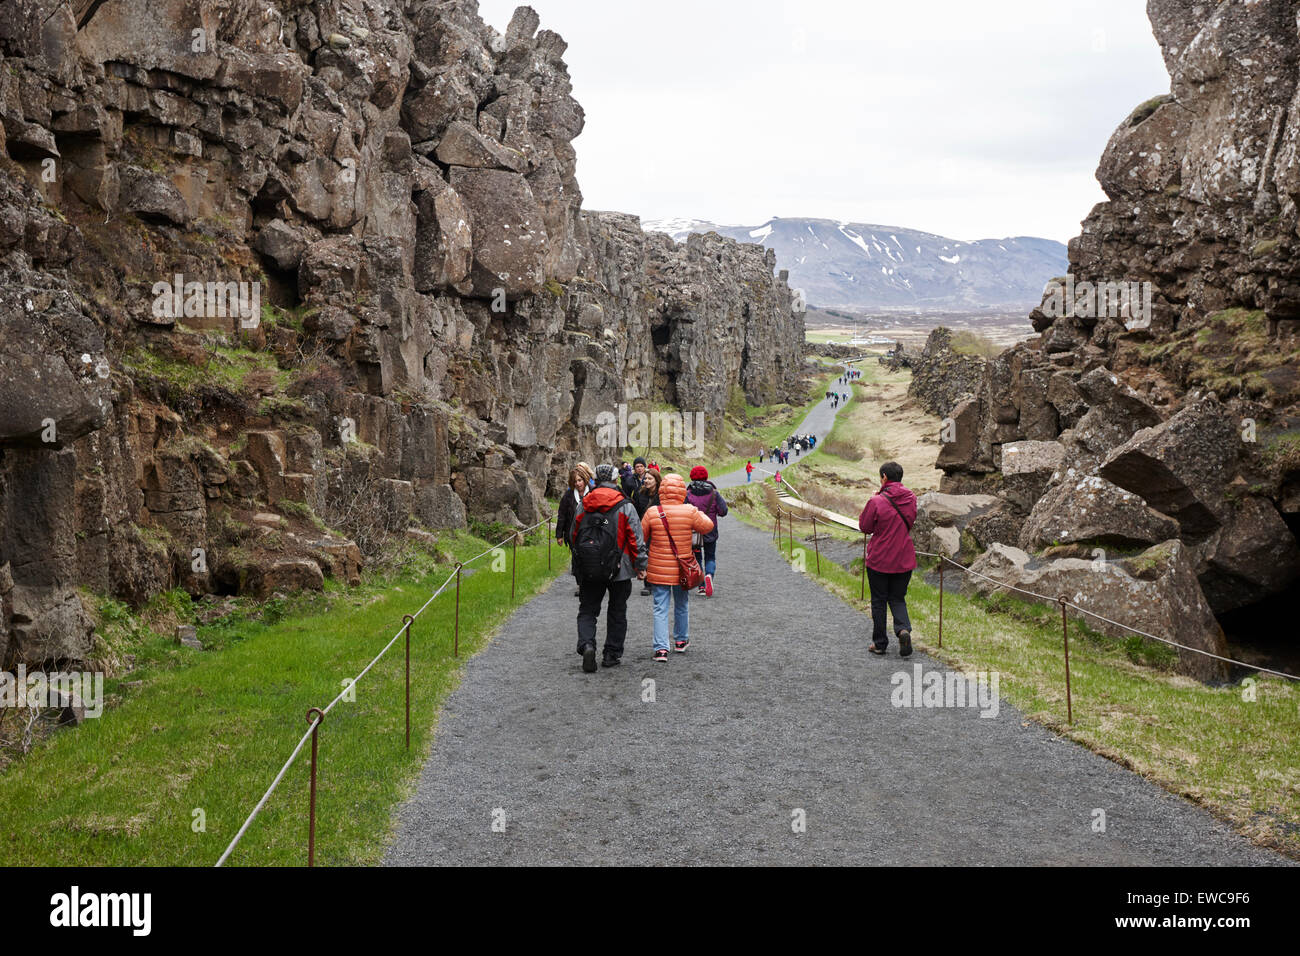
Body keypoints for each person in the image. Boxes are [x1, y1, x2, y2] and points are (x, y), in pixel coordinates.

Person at [570, 463, 648, 672]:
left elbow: (573, 534)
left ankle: (587, 644)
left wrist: (579, 561)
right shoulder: (625, 505)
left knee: (587, 609)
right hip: (619, 568)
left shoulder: (585, 503)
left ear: (594, 480)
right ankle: (611, 655)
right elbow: (635, 538)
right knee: (617, 610)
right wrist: (641, 565)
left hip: (589, 567)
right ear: (616, 481)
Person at [642, 472, 714, 662]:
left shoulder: (652, 512)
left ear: (662, 490)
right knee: (682, 604)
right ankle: (681, 641)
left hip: (658, 568)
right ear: (682, 491)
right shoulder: (689, 511)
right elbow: (708, 526)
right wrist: (697, 511)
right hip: (683, 568)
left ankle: (661, 649)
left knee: (660, 607)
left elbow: (640, 537)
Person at [858, 461, 918, 657]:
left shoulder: (877, 501)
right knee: (898, 598)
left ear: (884, 477)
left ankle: (880, 643)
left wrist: (872, 500)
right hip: (904, 557)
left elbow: (865, 527)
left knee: (879, 601)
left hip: (880, 559)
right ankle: (903, 630)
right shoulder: (911, 498)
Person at [685, 466, 728, 597]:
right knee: (710, 556)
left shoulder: (688, 494)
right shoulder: (714, 493)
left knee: (697, 558)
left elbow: (684, 510)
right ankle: (709, 575)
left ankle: (702, 585)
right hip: (710, 529)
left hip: (694, 531)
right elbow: (723, 511)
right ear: (706, 476)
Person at [631, 467, 661, 596]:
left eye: (650, 478)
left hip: (659, 528)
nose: (647, 481)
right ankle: (648, 585)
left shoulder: (662, 495)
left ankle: (659, 581)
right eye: (645, 478)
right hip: (643, 528)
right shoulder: (639, 493)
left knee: (658, 555)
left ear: (656, 480)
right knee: (646, 553)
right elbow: (635, 511)